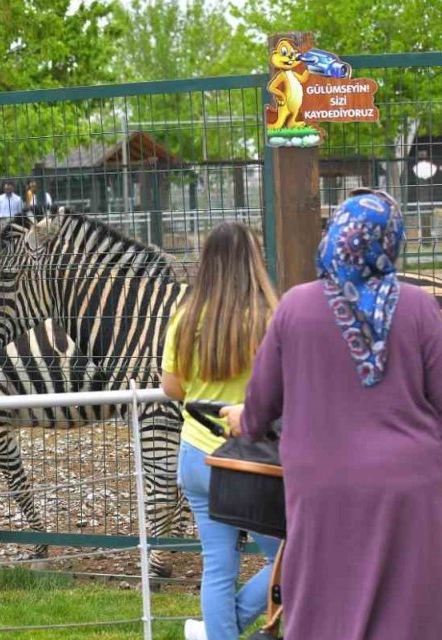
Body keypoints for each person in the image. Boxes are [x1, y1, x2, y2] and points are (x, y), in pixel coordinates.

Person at [224, 189, 442, 640]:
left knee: (323, 601)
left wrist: (243, 420)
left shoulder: (295, 306)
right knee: (409, 608)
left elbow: (262, 404)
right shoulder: (421, 308)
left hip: (321, 487)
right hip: (408, 490)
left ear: (336, 237)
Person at [160, 221, 281, 640]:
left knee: (217, 565)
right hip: (256, 460)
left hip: (197, 455)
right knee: (294, 559)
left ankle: (216, 633)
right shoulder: (270, 317)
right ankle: (221, 631)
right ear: (254, 261)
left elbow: (172, 387)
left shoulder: (185, 317)